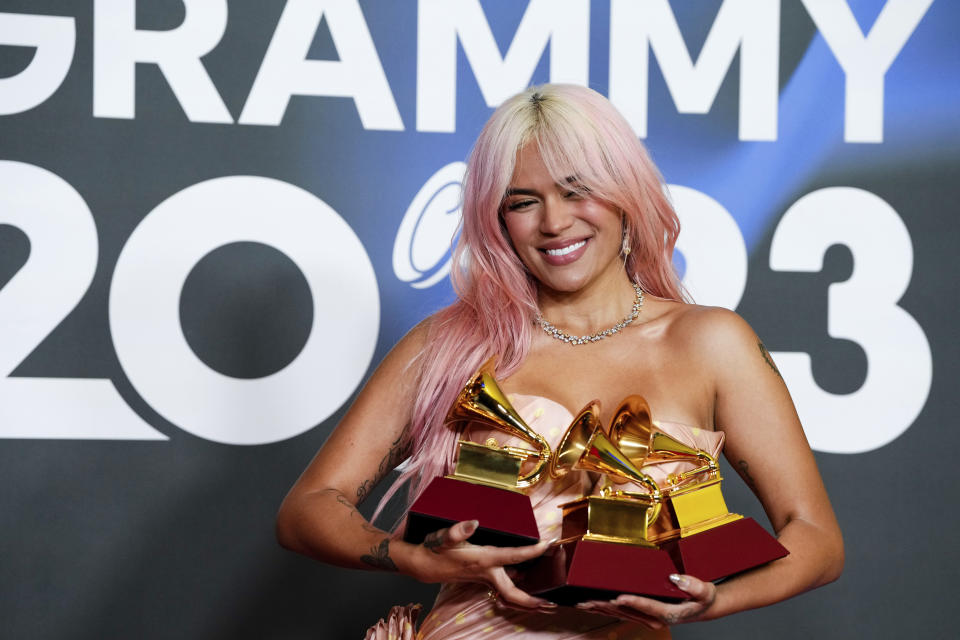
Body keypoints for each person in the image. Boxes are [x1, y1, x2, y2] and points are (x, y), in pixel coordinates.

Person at [276, 84, 844, 638]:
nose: (553, 223)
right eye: (523, 202)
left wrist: (715, 601)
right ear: (498, 221)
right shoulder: (448, 345)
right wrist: (409, 557)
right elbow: (307, 509)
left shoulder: (710, 342)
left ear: (626, 194)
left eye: (577, 191)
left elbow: (815, 537)